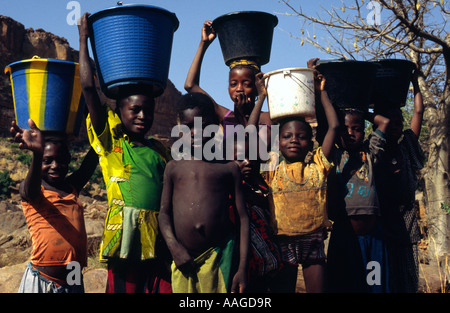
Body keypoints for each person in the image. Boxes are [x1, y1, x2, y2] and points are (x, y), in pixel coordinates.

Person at [78, 13, 172, 293]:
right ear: (118, 111)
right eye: (135, 110)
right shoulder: (112, 143)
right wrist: (83, 39)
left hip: (158, 242)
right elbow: (88, 88)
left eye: (149, 110)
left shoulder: (160, 151)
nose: (143, 116)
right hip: (124, 243)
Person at [158, 92, 249, 293]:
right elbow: (163, 214)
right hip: (184, 258)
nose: (195, 132)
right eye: (189, 126)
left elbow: (243, 218)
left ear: (215, 125)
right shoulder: (173, 168)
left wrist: (242, 267)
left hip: (220, 257)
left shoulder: (228, 168)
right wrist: (174, 248)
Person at [261, 62, 339, 293]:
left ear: (311, 142)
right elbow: (253, 131)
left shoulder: (317, 164)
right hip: (283, 241)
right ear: (278, 142)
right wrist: (261, 97)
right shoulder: (272, 168)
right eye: (287, 136)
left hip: (314, 240)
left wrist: (321, 91)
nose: (294, 140)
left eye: (301, 136)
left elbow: (334, 127)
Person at [11, 119, 98, 293]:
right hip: (42, 280)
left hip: (73, 278)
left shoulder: (72, 186)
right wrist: (37, 153)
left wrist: (98, 124)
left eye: (62, 160)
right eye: (47, 160)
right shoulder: (35, 190)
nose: (55, 166)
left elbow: (91, 160)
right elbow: (28, 191)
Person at [326, 107, 391, 293]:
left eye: (357, 128)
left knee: (374, 284)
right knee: (344, 284)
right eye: (345, 128)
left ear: (364, 132)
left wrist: (362, 110)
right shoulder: (333, 156)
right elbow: (328, 128)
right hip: (344, 237)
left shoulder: (370, 154)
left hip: (374, 238)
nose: (350, 133)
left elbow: (384, 122)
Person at [184, 20, 273, 151]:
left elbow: (253, 150)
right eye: (233, 84)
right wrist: (204, 44)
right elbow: (190, 85)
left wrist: (261, 98)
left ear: (257, 86)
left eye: (246, 84)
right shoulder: (226, 116)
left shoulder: (267, 118)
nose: (239, 89)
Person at [375, 64, 425, 293]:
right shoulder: (372, 149)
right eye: (389, 122)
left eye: (398, 122)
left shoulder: (406, 146)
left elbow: (418, 113)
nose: (394, 127)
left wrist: (414, 81)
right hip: (382, 228)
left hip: (407, 228)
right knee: (383, 280)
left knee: (406, 282)